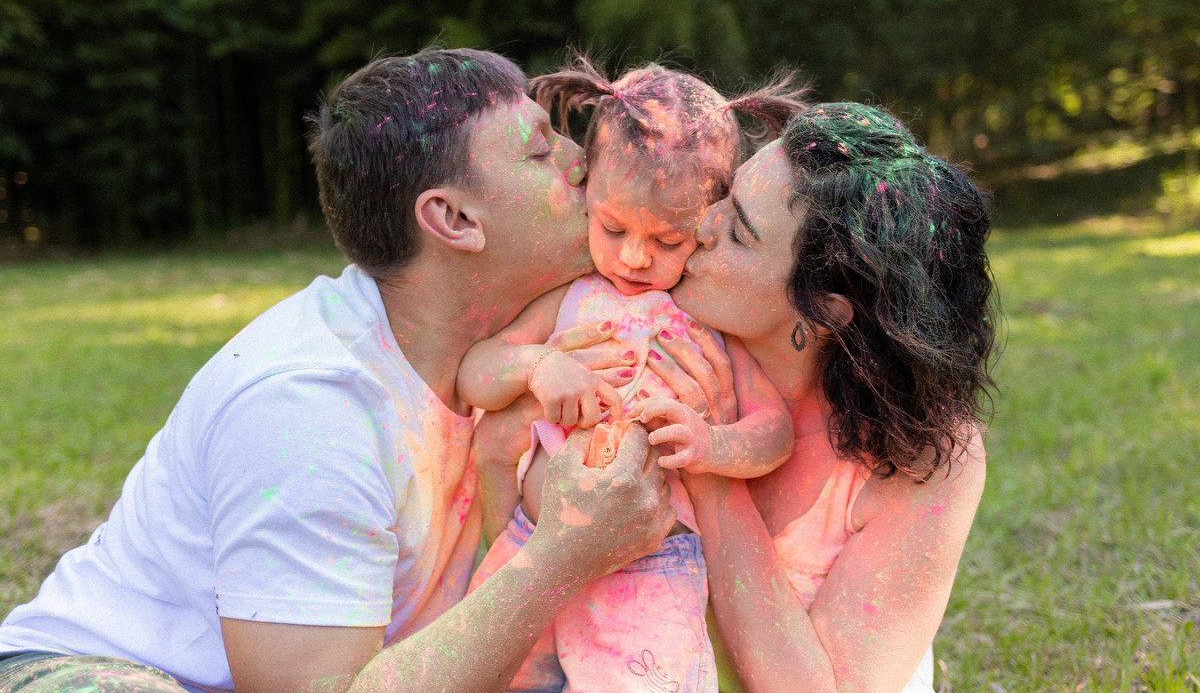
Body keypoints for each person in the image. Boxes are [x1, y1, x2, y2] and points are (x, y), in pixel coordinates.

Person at [0, 48, 678, 693]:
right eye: (540, 149)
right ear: (452, 218)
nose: (578, 159)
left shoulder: (514, 348)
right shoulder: (311, 405)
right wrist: (563, 554)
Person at [456, 56, 808, 693]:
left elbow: (774, 429)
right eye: (612, 227)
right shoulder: (569, 295)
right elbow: (478, 373)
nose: (635, 256)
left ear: (712, 220)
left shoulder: (704, 317)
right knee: (499, 678)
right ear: (587, 190)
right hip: (532, 542)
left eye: (668, 240)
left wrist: (711, 445)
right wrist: (538, 366)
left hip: (649, 564)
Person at [633, 102, 996, 692]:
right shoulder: (661, 329)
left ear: (824, 309)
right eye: (725, 196)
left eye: (737, 233)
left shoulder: (923, 455)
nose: (700, 226)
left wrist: (712, 466)